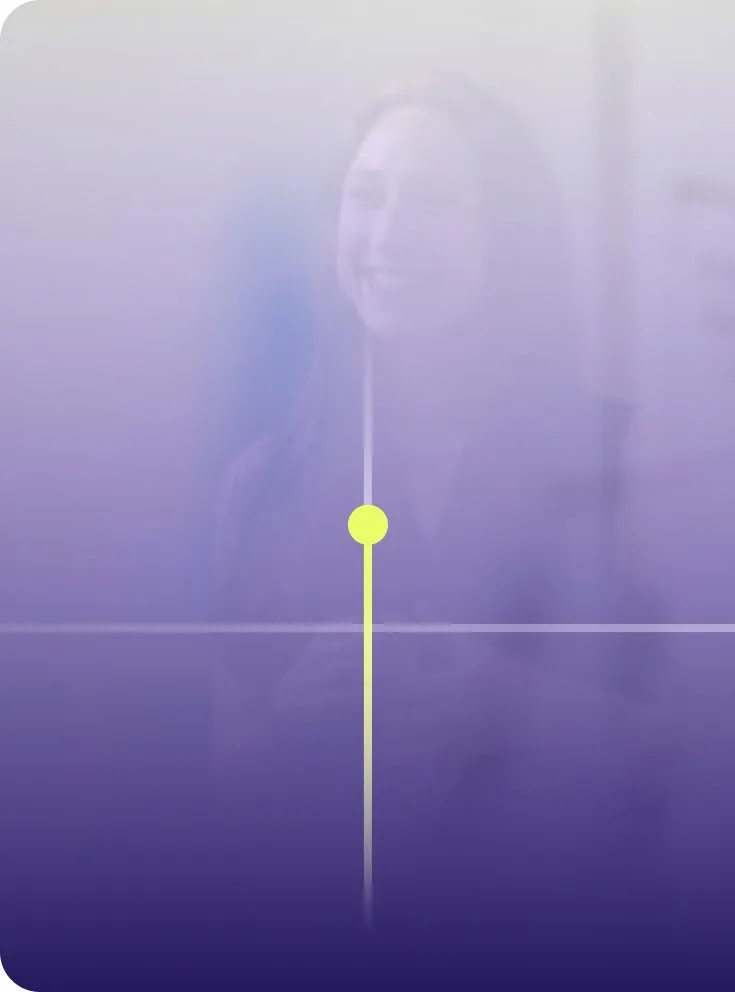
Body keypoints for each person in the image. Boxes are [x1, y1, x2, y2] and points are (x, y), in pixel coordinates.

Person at [207, 72, 649, 988]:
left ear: (509, 236)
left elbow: (722, 759)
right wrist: (290, 717)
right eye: (366, 197)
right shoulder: (258, 484)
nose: (389, 233)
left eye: (436, 203)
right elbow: (217, 782)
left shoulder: (628, 464)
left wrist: (514, 706)